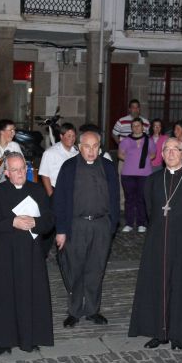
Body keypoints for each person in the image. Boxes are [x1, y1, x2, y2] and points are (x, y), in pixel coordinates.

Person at [128, 138, 182, 349]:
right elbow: (149, 211)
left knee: (180, 286)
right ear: (161, 155)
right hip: (157, 243)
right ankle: (158, 332)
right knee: (157, 285)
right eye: (167, 149)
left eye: (176, 149)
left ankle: (177, 334)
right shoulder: (153, 181)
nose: (172, 153)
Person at [0, 152, 55, 354]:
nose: (21, 173)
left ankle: (31, 337)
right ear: (7, 173)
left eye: (23, 169)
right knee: (5, 294)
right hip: (5, 252)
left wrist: (35, 222)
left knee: (31, 293)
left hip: (31, 253)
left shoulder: (37, 190)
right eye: (15, 170)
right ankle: (4, 340)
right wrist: (12, 222)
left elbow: (49, 219)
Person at [54, 130, 120, 327]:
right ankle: (74, 311)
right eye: (87, 147)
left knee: (96, 269)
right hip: (77, 225)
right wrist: (61, 230)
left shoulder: (108, 167)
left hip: (101, 225)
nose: (91, 151)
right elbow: (60, 200)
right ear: (79, 147)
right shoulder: (69, 167)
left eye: (95, 146)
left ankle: (92, 310)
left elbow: (115, 197)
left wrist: (112, 224)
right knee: (75, 269)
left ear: (99, 148)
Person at [118, 118, 154, 233]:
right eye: (134, 126)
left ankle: (141, 223)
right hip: (128, 174)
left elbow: (153, 154)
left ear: (142, 127)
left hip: (144, 174)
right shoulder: (126, 140)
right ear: (131, 127)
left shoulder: (149, 140)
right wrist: (131, 160)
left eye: (138, 125)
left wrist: (143, 160)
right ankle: (129, 223)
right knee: (129, 199)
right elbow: (120, 154)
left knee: (142, 199)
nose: (136, 127)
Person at [39, 123, 78, 197]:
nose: (72, 139)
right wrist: (51, 195)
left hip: (73, 191)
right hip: (56, 190)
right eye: (69, 136)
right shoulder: (50, 152)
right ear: (61, 136)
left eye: (73, 136)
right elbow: (44, 175)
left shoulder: (76, 152)